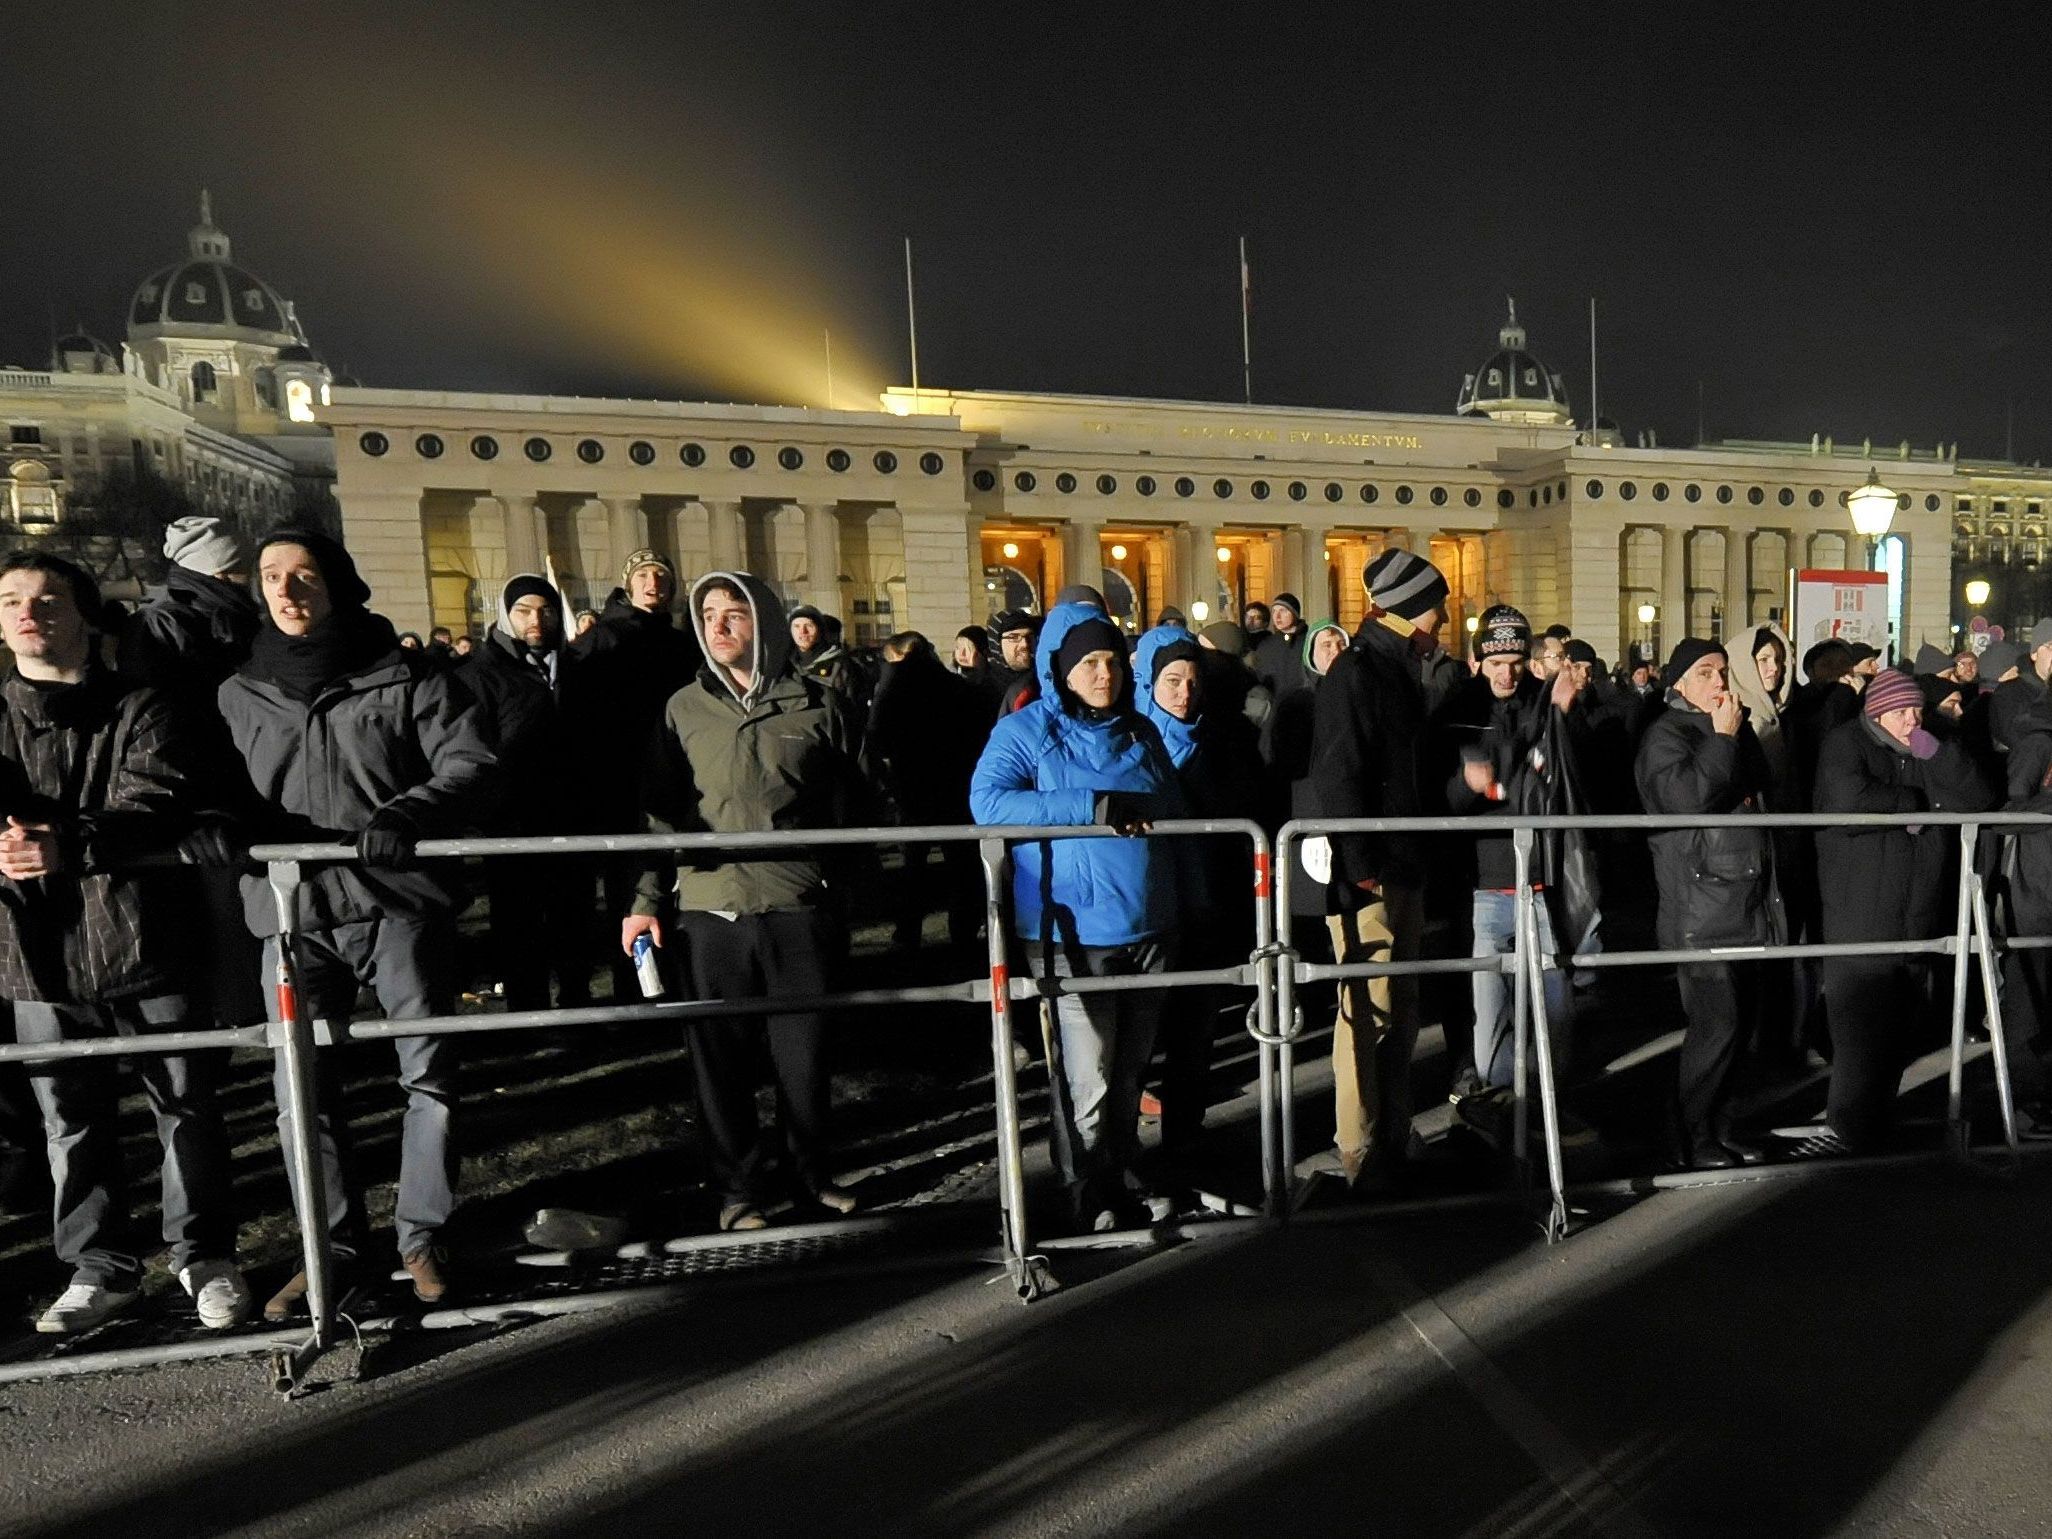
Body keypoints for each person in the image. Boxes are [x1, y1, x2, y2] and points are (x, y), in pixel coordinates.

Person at [219, 529, 498, 1317]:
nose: (288, 589)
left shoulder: (408, 675)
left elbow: (470, 762)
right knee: (299, 1089)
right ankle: (329, 1247)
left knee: (428, 1075)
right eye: (273, 576)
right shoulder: (237, 691)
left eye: (304, 574)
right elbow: (210, 784)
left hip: (397, 901)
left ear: (338, 583)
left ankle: (421, 1237)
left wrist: (410, 809)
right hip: (288, 912)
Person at [0, 552, 247, 1333]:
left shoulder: (143, 704)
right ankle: (99, 1266)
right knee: (68, 1121)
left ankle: (204, 1255)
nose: (27, 613)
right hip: (33, 954)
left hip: (144, 939)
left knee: (185, 1107)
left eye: (47, 600)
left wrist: (69, 841)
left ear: (84, 614)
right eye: (10, 600)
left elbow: (158, 794)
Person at [623, 571, 869, 1233]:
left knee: (806, 1055)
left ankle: (810, 1173)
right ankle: (737, 1191)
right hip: (712, 911)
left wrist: (840, 887)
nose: (721, 626)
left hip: (797, 907)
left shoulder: (821, 703)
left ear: (764, 621)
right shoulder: (682, 709)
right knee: (720, 1062)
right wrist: (646, 898)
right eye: (708, 615)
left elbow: (859, 803)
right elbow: (659, 817)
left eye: (736, 614)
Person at [971, 601, 1182, 1230]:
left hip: (1149, 926)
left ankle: (1121, 1167)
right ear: (1061, 668)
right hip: (1070, 933)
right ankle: (1086, 1187)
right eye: (1089, 662)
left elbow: (1175, 815)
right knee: (1084, 1080)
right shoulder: (1026, 730)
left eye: (1113, 661)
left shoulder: (1140, 730)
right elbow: (986, 801)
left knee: (1129, 1074)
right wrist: (1088, 805)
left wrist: (1188, 900)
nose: (1103, 673)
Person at [1306, 547, 1450, 1189]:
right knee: (1367, 1011)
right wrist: (1363, 867)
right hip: (1371, 875)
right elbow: (1338, 776)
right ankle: (1360, 1144)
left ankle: (1390, 1132)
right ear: (1416, 610)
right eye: (1438, 605)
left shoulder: (1388, 667)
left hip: (1398, 866)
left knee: (1402, 1005)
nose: (1445, 618)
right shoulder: (1358, 673)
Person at [1814, 669, 1993, 1151]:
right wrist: (1916, 804)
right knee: (1859, 1027)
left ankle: (1875, 1120)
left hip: (1917, 905)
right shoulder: (1846, 743)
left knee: (1897, 1024)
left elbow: (1977, 798)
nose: (1912, 720)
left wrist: (1938, 756)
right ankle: (1849, 1127)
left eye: (1916, 710)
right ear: (1876, 712)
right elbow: (1847, 800)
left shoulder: (1928, 745)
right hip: (1860, 908)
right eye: (1900, 711)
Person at [1635, 638, 1784, 1169]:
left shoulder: (1728, 731)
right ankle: (1691, 1137)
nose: (1720, 682)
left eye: (1722, 671)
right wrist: (1723, 739)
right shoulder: (1665, 736)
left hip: (1744, 899)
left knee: (1740, 1028)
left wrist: (1734, 738)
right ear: (1678, 683)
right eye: (1705, 673)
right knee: (1714, 1029)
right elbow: (1687, 802)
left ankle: (1720, 1127)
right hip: (1700, 909)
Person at [115, 514, 266, 1031]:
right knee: (224, 924)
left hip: (231, 794)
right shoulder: (169, 623)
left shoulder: (217, 616)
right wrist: (198, 807)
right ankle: (240, 1025)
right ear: (223, 570)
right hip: (211, 803)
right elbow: (169, 724)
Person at [1439, 606, 1585, 1094]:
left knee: (1556, 1002)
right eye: (1496, 661)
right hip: (1481, 880)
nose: (1506, 672)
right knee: (1487, 1005)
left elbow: (1561, 777)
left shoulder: (1545, 702)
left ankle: (1550, 1099)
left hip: (1541, 875)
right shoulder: (1457, 707)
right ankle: (1497, 1102)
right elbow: (1444, 795)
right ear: (1479, 660)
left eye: (1516, 662)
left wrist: (1561, 717)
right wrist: (1467, 783)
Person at [1133, 623, 1265, 1160]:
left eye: (1192, 681)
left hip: (1207, 907)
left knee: (1194, 1035)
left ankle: (1185, 1143)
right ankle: (1121, 1156)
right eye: (1172, 681)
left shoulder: (1224, 739)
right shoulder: (1130, 742)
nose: (1185, 693)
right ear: (1149, 683)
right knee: (1138, 1039)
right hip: (1147, 911)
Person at [568, 548, 703, 999]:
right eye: (644, 574)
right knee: (626, 890)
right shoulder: (602, 639)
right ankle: (633, 988)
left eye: (662, 576)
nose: (653, 583)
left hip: (675, 775)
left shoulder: (684, 642)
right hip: (616, 783)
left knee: (675, 881)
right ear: (629, 583)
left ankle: (672, 979)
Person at [461, 574, 590, 1012]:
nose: (537, 619)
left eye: (546, 610)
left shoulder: (576, 668)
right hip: (512, 823)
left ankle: (577, 1008)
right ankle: (527, 1012)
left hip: (571, 817)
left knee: (574, 921)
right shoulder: (480, 675)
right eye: (524, 610)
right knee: (519, 926)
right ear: (506, 616)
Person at [867, 631, 986, 953]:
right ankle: (964, 929)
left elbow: (877, 737)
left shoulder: (892, 688)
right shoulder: (957, 686)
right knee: (962, 864)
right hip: (957, 785)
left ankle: (908, 931)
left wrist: (890, 780)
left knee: (913, 866)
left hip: (913, 787)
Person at [1251, 592, 1309, 703]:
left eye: (1282, 611)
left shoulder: (1311, 640)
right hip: (1276, 709)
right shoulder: (1266, 646)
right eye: (1274, 611)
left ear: (1295, 613)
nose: (1277, 616)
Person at [990, 609, 1042, 716]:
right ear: (996, 643)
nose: (1024, 644)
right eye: (1014, 637)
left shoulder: (1044, 681)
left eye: (1029, 636)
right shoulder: (984, 690)